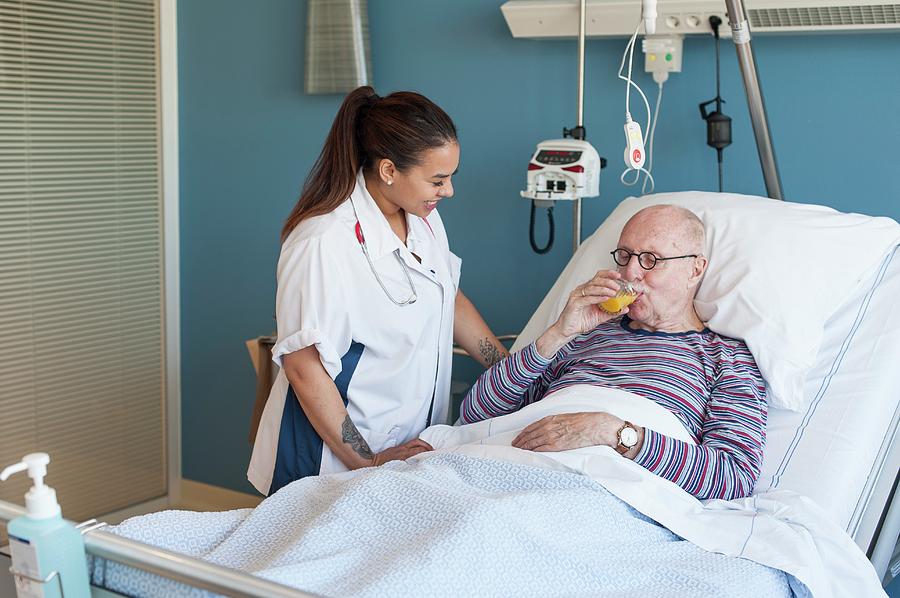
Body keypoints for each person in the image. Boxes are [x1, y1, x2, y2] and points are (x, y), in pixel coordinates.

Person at [248, 86, 508, 496]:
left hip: (405, 449)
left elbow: (448, 298)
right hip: (331, 460)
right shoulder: (322, 241)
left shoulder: (423, 220)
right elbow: (303, 366)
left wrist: (509, 371)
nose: (449, 191)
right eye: (437, 180)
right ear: (389, 170)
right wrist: (366, 460)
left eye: (451, 178)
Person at [459, 205, 767, 501]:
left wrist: (612, 431)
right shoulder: (585, 333)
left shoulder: (727, 358)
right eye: (625, 256)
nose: (630, 272)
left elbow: (733, 476)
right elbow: (477, 413)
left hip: (606, 492)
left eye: (650, 259)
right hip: (515, 472)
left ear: (694, 269)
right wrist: (559, 332)